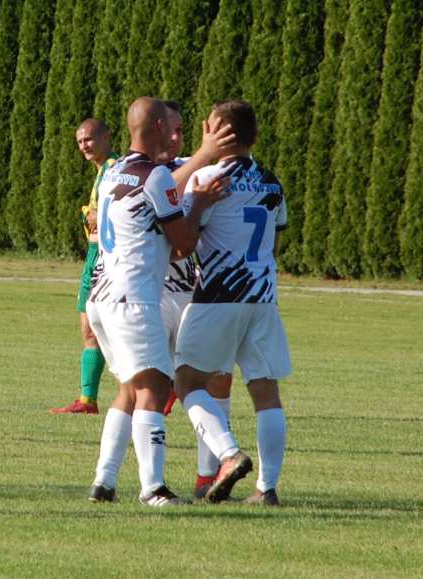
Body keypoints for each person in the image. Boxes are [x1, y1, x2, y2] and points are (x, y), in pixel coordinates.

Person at [87, 101, 236, 503]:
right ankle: (153, 488)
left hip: (101, 296)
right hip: (132, 298)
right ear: (155, 126)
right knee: (154, 387)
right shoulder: (155, 176)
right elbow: (183, 245)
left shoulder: (112, 170)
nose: (175, 136)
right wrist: (200, 204)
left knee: (129, 390)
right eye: (169, 127)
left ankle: (104, 481)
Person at [176, 99, 292, 506]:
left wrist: (202, 205)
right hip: (262, 296)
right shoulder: (272, 180)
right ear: (254, 135)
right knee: (265, 390)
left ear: (216, 133)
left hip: (218, 297)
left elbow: (182, 244)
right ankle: (267, 488)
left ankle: (228, 455)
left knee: (186, 381)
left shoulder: (206, 177)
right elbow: (276, 242)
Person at [50, 118, 117, 415]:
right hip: (95, 255)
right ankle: (87, 400)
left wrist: (96, 219)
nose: (84, 146)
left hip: (103, 257)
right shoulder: (103, 170)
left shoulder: (113, 169)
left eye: (89, 139)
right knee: (90, 328)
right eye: (79, 141)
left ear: (107, 137)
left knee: (100, 328)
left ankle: (133, 394)